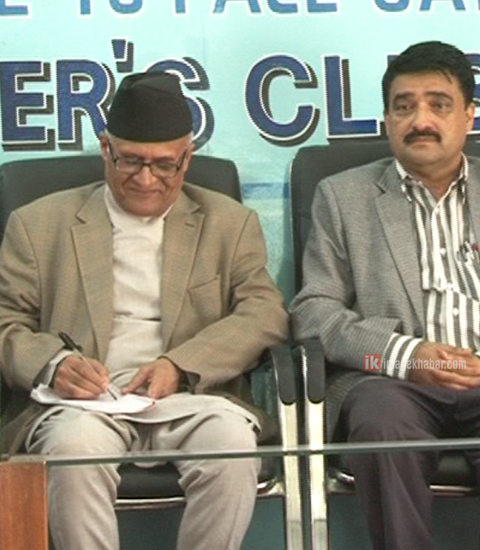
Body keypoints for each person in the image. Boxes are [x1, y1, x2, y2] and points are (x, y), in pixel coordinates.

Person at [290, 40, 480, 550]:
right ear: (387, 119)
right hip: (390, 380)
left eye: (438, 105)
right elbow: (314, 311)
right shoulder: (342, 196)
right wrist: (409, 357)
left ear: (470, 116)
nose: (419, 120)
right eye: (403, 106)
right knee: (382, 429)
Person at [0, 72, 288, 550]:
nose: (146, 179)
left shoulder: (229, 223)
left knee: (232, 445)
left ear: (187, 158)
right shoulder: (39, 224)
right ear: (105, 149)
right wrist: (54, 365)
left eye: (164, 165)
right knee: (74, 449)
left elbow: (265, 313)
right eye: (130, 161)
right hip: (82, 405)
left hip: (190, 397)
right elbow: (6, 322)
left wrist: (181, 365)